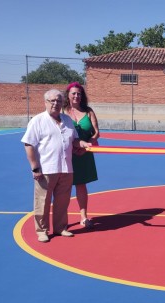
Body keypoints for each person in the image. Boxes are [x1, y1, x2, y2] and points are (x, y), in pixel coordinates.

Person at [22, 89, 92, 243]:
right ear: (45, 102)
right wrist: (35, 167)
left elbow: (74, 140)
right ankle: (42, 230)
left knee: (62, 201)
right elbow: (28, 144)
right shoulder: (38, 121)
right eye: (52, 101)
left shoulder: (67, 120)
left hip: (66, 168)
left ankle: (60, 228)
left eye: (58, 101)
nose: (55, 104)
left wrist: (82, 143)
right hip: (46, 169)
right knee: (43, 201)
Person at [62, 82, 99, 228]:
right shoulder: (62, 111)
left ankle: (84, 217)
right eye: (73, 93)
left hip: (84, 154)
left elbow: (96, 132)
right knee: (63, 187)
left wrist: (86, 146)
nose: (76, 96)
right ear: (68, 95)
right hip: (66, 154)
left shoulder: (88, 111)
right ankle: (62, 220)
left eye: (79, 93)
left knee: (81, 185)